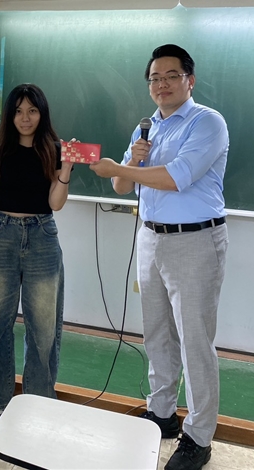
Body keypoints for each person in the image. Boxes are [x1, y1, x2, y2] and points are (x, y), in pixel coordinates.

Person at [89, 44, 229, 470]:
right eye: (154, 78)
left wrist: (120, 168)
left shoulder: (207, 122)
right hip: (150, 237)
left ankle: (199, 437)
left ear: (190, 80)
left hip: (195, 241)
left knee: (195, 340)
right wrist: (130, 162)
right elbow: (121, 187)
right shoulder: (146, 127)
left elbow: (176, 177)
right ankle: (162, 413)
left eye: (171, 76)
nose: (161, 84)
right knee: (157, 334)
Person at [0, 83, 74, 425]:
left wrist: (66, 169)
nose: (25, 118)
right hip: (1, 237)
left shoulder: (55, 150)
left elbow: (55, 204)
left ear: (42, 113)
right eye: (18, 111)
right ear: (9, 114)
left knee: (44, 329)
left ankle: (39, 401)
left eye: (32, 110)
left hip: (43, 237)